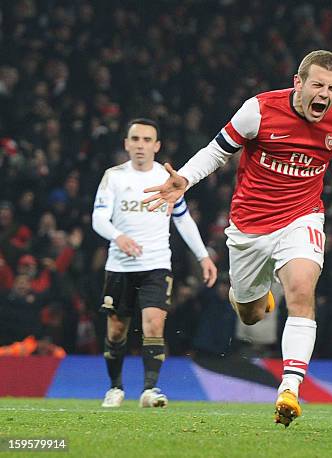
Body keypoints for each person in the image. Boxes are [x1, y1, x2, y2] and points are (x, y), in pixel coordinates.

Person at [143, 50, 332, 426]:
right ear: (298, 83)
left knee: (301, 291)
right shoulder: (259, 111)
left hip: (302, 218)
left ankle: (290, 389)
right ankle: (247, 295)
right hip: (250, 226)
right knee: (250, 314)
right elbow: (217, 152)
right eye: (317, 84)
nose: (325, 94)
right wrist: (184, 177)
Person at [92, 118, 217, 408]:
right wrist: (118, 236)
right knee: (116, 330)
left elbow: (183, 218)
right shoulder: (114, 177)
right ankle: (115, 388)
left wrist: (203, 257)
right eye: (135, 139)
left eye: (147, 140)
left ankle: (150, 389)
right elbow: (98, 218)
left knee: (154, 323)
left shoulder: (166, 179)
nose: (141, 145)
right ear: (126, 143)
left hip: (156, 264)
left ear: (157, 146)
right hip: (120, 265)